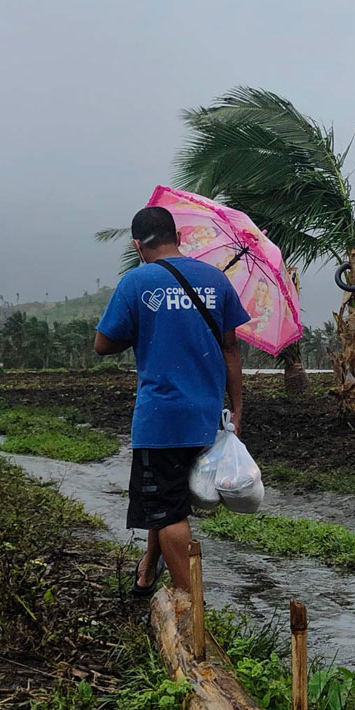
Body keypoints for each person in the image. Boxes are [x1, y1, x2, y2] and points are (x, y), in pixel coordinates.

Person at [95, 206, 248, 597]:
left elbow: (103, 344)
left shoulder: (137, 282)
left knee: (168, 509)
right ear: (176, 236)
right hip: (205, 417)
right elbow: (231, 349)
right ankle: (148, 571)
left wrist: (142, 327)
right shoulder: (215, 280)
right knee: (164, 500)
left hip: (160, 418)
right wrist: (237, 411)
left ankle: (188, 601)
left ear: (137, 244)